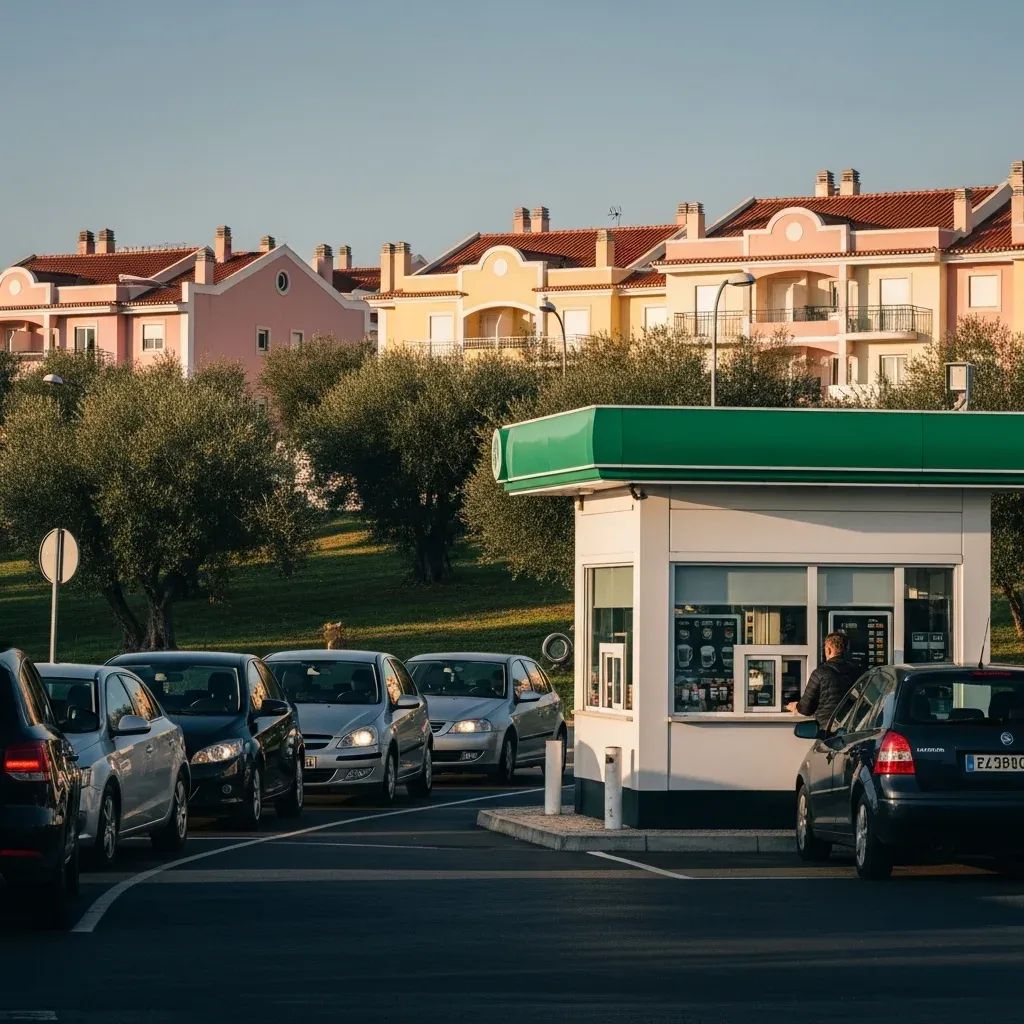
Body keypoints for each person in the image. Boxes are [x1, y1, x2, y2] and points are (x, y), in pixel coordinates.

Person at [786, 631, 860, 728]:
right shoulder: (858, 671)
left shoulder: (820, 673)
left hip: (828, 728)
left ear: (828, 649)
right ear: (846, 649)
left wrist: (795, 706)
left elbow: (806, 709)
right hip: (854, 726)